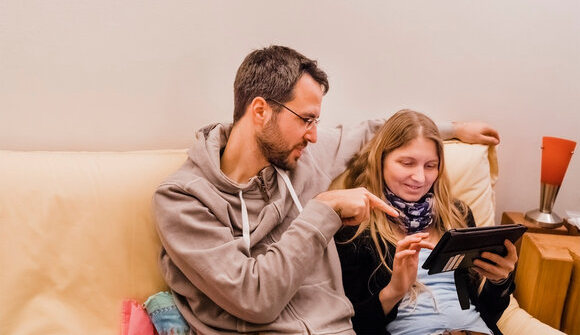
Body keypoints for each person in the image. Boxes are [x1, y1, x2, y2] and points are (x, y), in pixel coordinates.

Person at [152, 45, 501, 334]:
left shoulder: (302, 156)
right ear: (260, 110)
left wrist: (453, 128)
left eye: (316, 121)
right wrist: (322, 210)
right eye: (306, 119)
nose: (314, 135)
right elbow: (255, 300)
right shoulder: (182, 199)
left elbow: (375, 132)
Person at [334, 109, 516, 335]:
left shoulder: (457, 215)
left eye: (430, 166)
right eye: (407, 163)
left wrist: (500, 281)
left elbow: (488, 312)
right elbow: (349, 326)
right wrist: (394, 291)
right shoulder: (355, 228)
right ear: (381, 160)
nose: (420, 178)